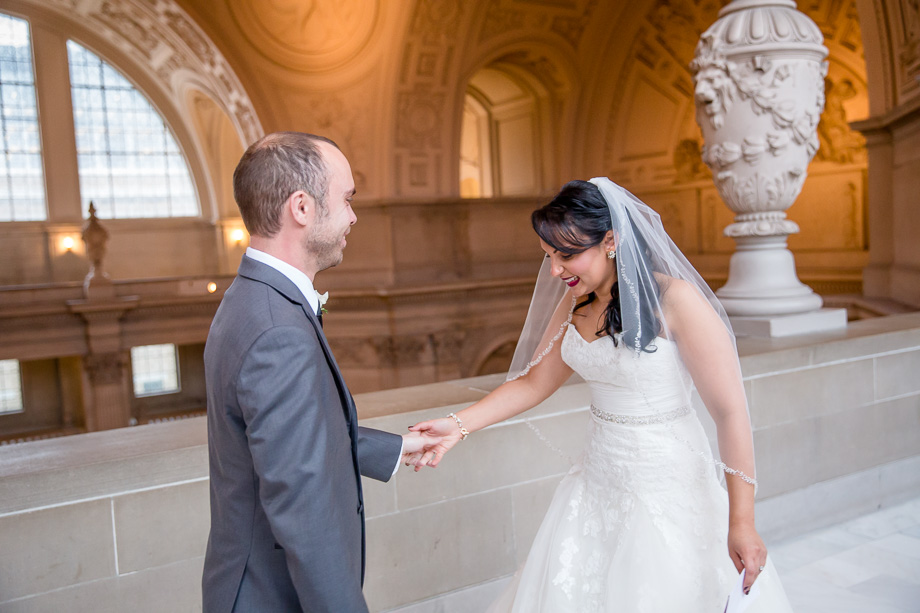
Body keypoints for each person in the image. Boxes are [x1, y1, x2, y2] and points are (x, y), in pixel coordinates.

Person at [409, 178, 794, 612]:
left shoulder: (675, 301)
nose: (556, 270)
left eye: (567, 254)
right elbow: (533, 383)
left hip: (666, 486)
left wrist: (742, 520)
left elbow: (729, 413)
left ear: (610, 240)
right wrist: (458, 426)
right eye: (549, 256)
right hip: (595, 482)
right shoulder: (575, 303)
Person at [202, 132, 440, 613]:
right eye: (347, 199)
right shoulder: (276, 331)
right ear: (302, 208)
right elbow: (304, 511)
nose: (353, 216)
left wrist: (391, 447)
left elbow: (287, 442)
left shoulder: (252, 298)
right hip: (271, 597)